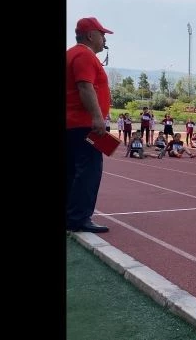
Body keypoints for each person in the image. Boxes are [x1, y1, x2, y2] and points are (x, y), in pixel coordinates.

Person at [66, 17, 113, 233]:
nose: (104, 39)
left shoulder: (71, 54)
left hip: (71, 125)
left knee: (72, 170)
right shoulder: (85, 55)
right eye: (102, 34)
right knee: (88, 171)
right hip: (84, 124)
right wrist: (97, 117)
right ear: (91, 35)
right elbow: (85, 87)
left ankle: (71, 215)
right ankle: (79, 218)